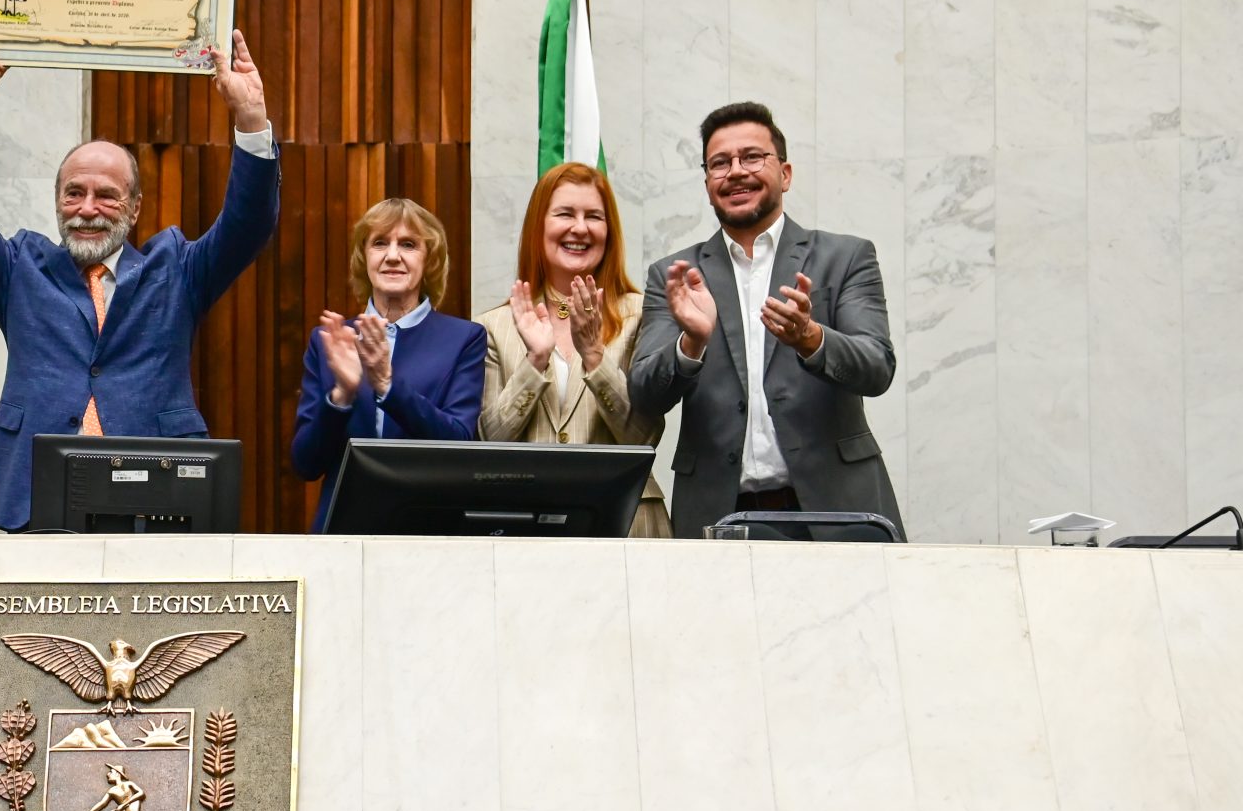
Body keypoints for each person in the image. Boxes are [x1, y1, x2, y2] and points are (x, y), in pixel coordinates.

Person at [0, 31, 280, 531]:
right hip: (31, 493)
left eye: (107, 196)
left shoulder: (175, 269)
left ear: (134, 209)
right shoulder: (19, 268)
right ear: (57, 202)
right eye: (74, 193)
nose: (87, 209)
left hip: (157, 493)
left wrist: (250, 120)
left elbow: (249, 225)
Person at [628, 101, 903, 539]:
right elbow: (643, 394)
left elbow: (877, 368)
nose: (736, 171)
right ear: (707, 182)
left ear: (785, 173)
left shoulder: (844, 257)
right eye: (720, 163)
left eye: (752, 157)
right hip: (720, 519)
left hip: (839, 511)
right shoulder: (675, 275)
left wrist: (812, 338)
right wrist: (691, 346)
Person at [475, 162, 671, 537]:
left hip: (629, 525)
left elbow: (643, 439)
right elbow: (489, 444)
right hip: (527, 529)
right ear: (538, 226)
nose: (580, 228)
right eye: (565, 214)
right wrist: (535, 361)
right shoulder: (493, 326)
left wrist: (595, 356)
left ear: (608, 231)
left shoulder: (642, 314)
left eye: (594, 216)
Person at [291, 198, 485, 532]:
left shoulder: (464, 339)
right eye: (380, 243)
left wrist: (387, 386)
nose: (392, 255)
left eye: (408, 245)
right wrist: (342, 396)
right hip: (344, 535)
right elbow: (306, 464)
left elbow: (459, 447)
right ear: (363, 257)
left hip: (431, 536)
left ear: (430, 261)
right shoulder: (330, 340)